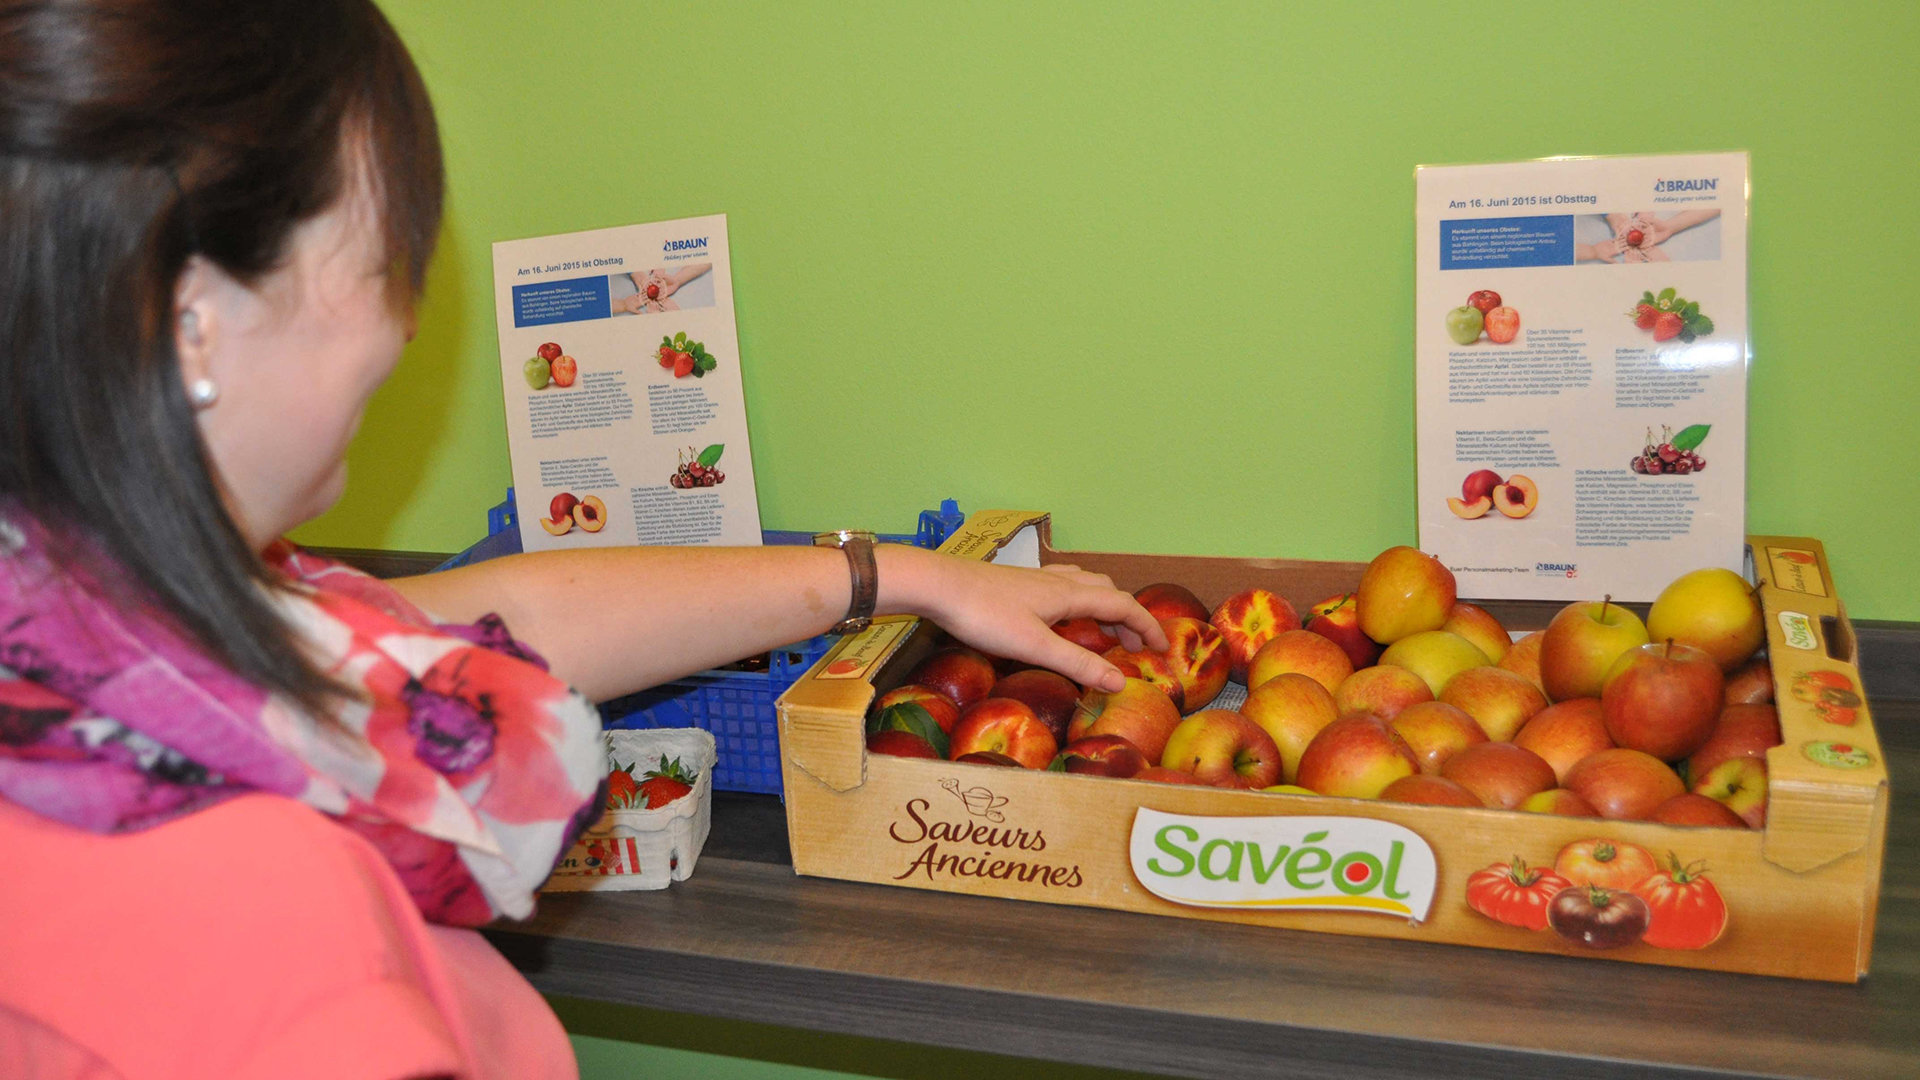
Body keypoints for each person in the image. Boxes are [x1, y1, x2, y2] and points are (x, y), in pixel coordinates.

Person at [0, 2, 1162, 1077]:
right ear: (194, 322)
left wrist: (896, 577)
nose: (403, 330)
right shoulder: (276, 928)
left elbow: (513, 616)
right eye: (379, 260)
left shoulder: (91, 635)